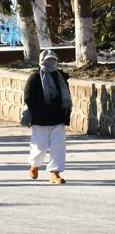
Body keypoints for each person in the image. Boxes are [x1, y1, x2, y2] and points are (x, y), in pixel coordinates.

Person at [24, 49, 71, 184]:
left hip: (58, 118)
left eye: (53, 60)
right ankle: (34, 165)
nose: (51, 62)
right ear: (42, 61)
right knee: (40, 145)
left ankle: (55, 172)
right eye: (48, 60)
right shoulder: (35, 77)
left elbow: (66, 96)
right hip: (40, 119)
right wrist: (37, 112)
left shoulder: (61, 77)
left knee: (58, 146)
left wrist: (66, 114)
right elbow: (28, 97)